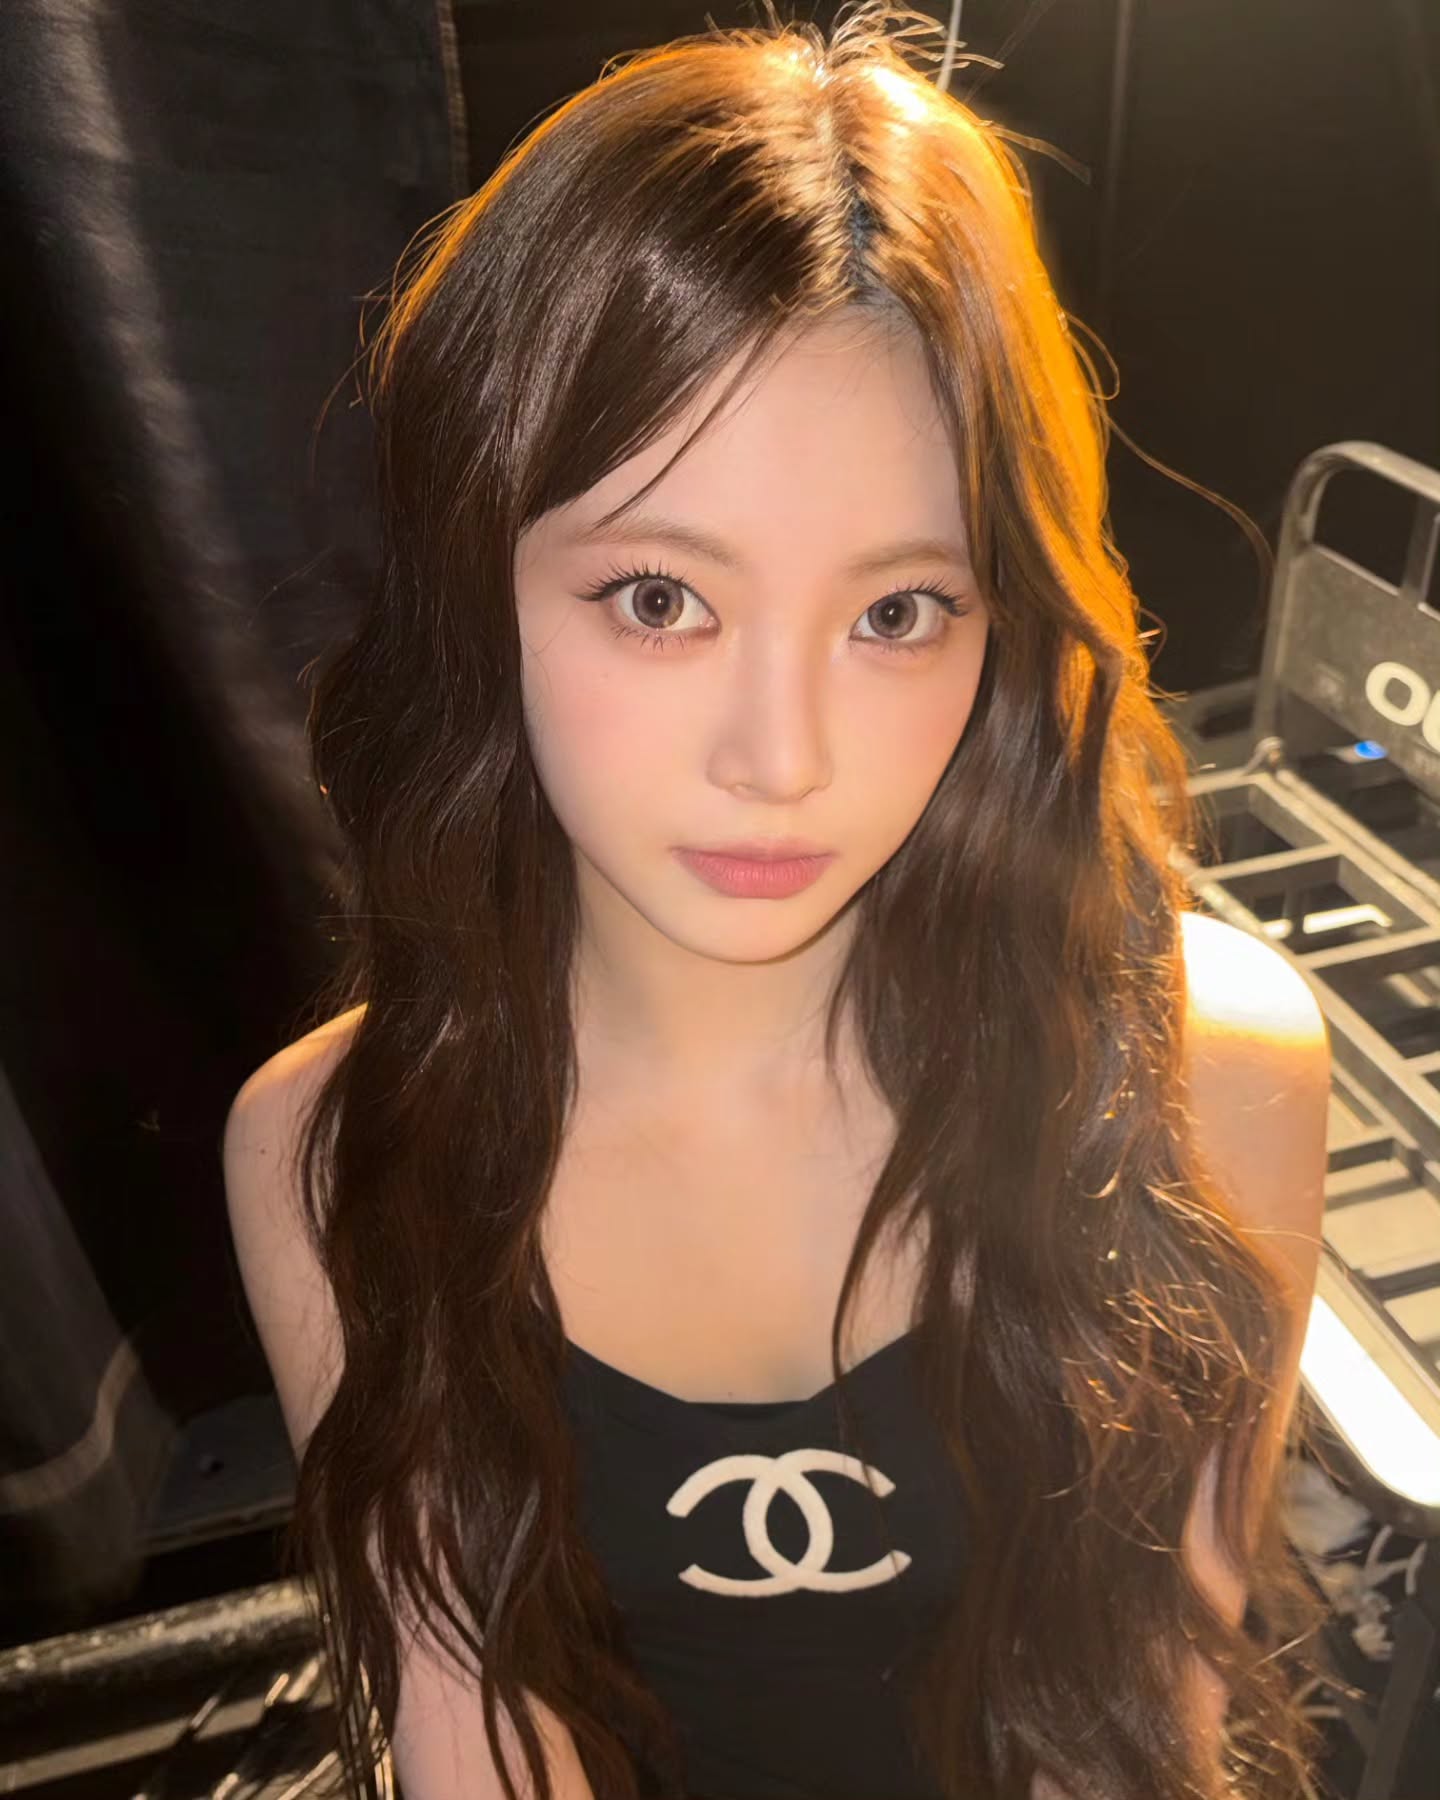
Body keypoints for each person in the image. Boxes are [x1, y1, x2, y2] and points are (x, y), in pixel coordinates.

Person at [221, 6, 1334, 1799]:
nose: (782, 759)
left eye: (897, 613)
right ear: (479, 588)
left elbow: (1148, 1718)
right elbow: (469, 1738)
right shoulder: (339, 1150)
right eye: (661, 599)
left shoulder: (1215, 1075)